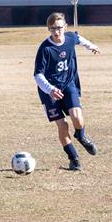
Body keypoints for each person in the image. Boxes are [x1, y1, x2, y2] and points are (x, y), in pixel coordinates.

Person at [33, 12, 100, 171]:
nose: (57, 32)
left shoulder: (70, 38)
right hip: (49, 91)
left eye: (59, 28)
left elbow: (79, 38)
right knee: (62, 125)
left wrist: (92, 46)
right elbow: (37, 75)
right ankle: (74, 159)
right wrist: (50, 89)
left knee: (77, 116)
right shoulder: (45, 48)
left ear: (65, 27)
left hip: (69, 84)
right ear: (49, 29)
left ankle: (81, 135)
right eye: (53, 29)